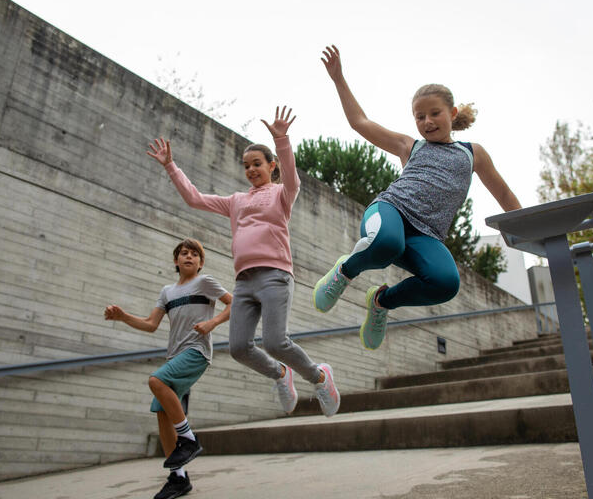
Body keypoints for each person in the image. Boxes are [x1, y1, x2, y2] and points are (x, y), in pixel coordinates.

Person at [314, 45, 522, 349]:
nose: (427, 121)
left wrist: (524, 230)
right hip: (390, 212)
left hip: (427, 235)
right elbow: (361, 122)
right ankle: (344, 271)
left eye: (434, 114)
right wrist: (338, 79)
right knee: (386, 243)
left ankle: (381, 302)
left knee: (445, 283)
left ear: (451, 113)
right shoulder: (410, 146)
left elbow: (502, 192)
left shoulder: (473, 153)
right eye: (419, 116)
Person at [147, 105, 340, 419]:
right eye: (246, 165)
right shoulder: (236, 201)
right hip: (244, 280)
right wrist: (171, 166)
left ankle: (319, 378)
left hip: (276, 276)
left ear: (271, 166)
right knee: (238, 347)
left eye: (257, 164)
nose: (251, 170)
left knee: (276, 341)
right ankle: (280, 374)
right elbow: (194, 198)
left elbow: (294, 180)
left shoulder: (280, 193)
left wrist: (282, 140)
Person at [104, 237, 232, 499]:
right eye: (184, 253)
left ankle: (188, 438)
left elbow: (235, 303)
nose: (189, 257)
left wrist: (212, 323)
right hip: (175, 355)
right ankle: (179, 477)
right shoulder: (167, 292)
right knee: (162, 413)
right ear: (176, 261)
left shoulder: (205, 282)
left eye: (194, 254)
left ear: (200, 262)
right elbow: (151, 324)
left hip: (196, 352)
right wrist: (123, 316)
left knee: (156, 379)